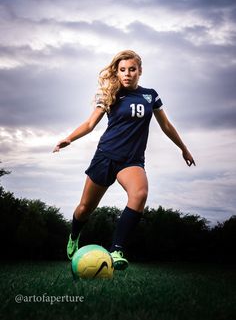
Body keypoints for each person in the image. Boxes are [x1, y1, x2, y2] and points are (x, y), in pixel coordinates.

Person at [53, 50, 195, 270]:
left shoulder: (150, 96)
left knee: (140, 194)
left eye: (132, 69)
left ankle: (116, 250)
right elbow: (90, 124)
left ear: (140, 71)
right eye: (122, 70)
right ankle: (74, 235)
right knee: (84, 209)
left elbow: (166, 125)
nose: (127, 74)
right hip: (105, 156)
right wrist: (69, 139)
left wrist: (183, 148)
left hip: (131, 160)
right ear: (117, 73)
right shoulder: (110, 94)